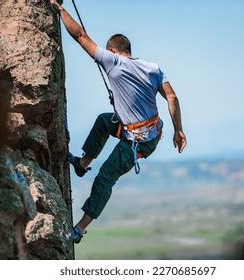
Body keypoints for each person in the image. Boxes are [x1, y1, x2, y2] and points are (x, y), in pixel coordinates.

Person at [50, 1, 187, 244]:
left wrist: (59, 9)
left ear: (112, 50)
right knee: (104, 121)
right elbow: (172, 97)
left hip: (138, 142)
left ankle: (79, 229)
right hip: (150, 132)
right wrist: (179, 131)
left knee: (105, 177)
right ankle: (82, 164)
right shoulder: (153, 68)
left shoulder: (113, 62)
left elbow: (80, 35)